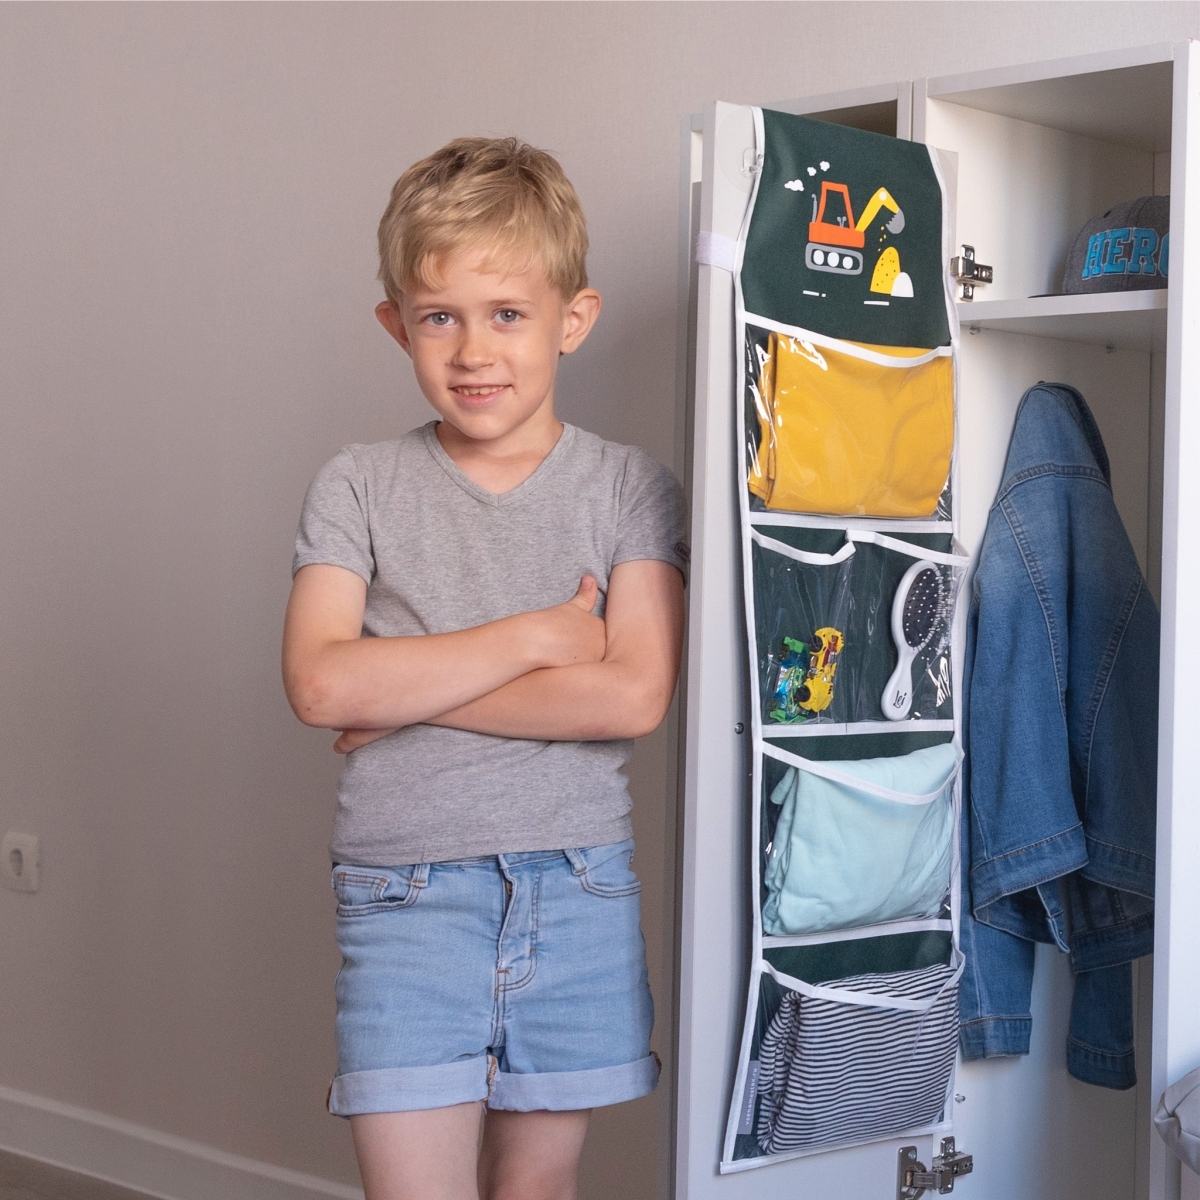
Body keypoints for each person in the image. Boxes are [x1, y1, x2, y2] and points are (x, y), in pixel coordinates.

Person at [281, 137, 688, 1200]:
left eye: (507, 313)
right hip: (405, 893)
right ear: (396, 324)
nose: (473, 351)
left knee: (534, 1192)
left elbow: (631, 696)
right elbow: (321, 685)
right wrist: (536, 638)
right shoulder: (358, 485)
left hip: (578, 886)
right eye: (439, 317)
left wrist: (405, 693)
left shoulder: (630, 487)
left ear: (572, 318)